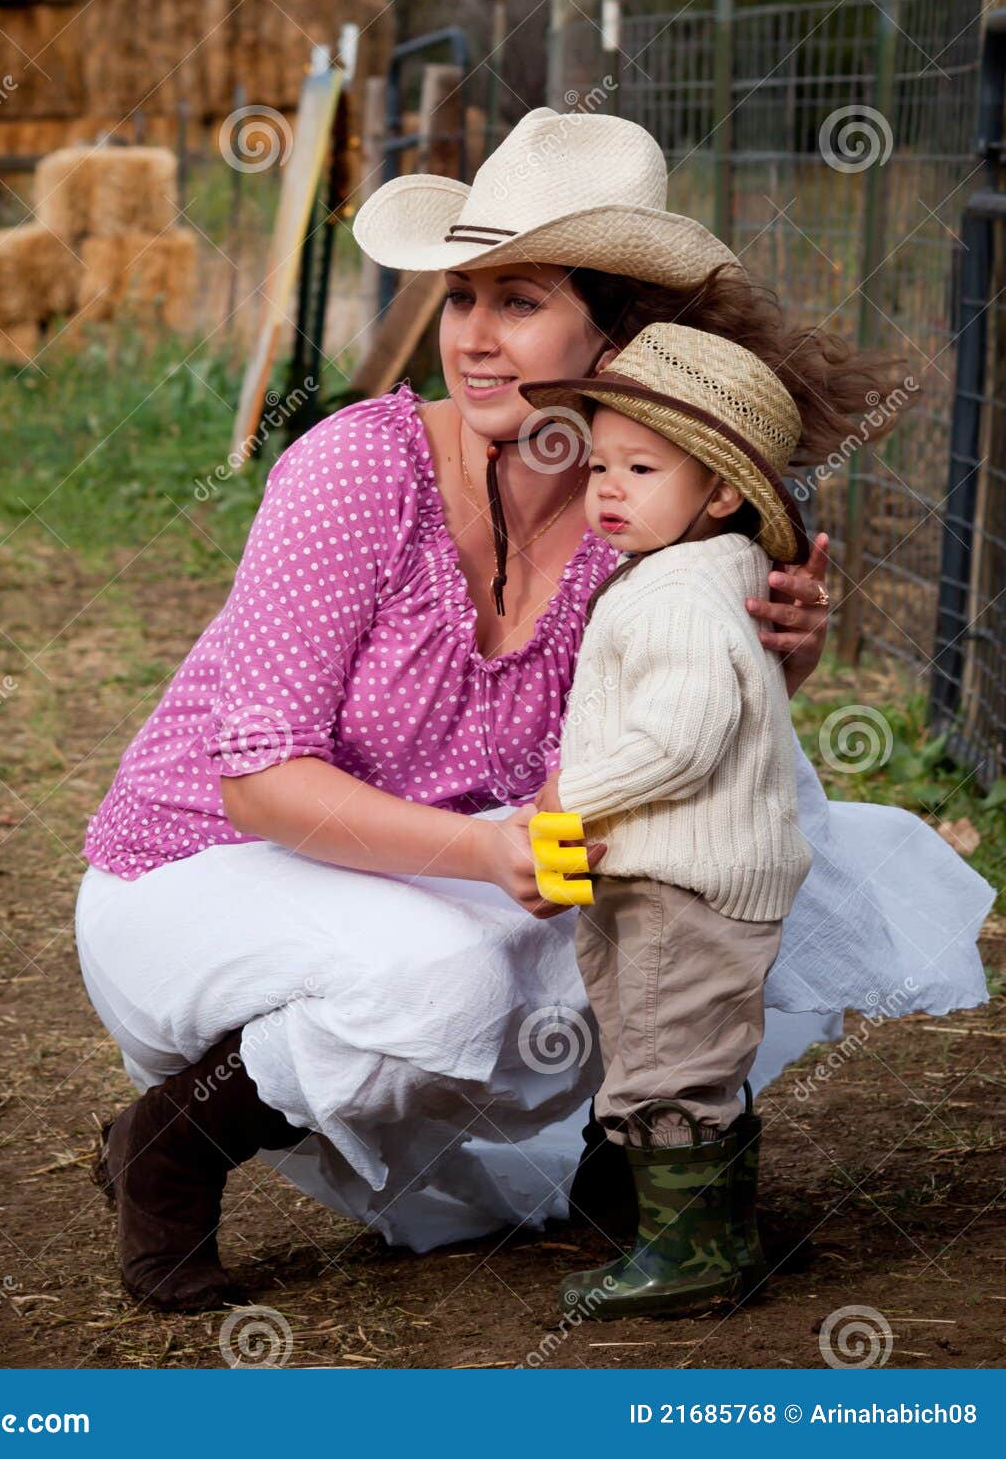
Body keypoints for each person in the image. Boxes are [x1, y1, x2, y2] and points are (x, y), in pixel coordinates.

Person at [75, 109, 993, 1314]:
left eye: (519, 301)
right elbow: (258, 779)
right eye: (464, 298)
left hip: (428, 865)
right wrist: (487, 850)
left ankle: (647, 1171)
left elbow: (686, 733)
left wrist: (780, 655)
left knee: (757, 841)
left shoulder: (652, 511)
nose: (473, 339)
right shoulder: (362, 470)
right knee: (454, 982)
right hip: (208, 866)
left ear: (623, 338)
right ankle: (172, 1142)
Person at [518, 320, 824, 1319]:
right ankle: (723, 1236)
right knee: (697, 1059)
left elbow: (683, 738)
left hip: (676, 887)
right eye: (600, 462)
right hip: (701, 874)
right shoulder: (714, 569)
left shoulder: (677, 598)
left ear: (722, 489)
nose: (608, 487)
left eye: (642, 467)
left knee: (658, 1066)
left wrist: (576, 791)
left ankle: (682, 1257)